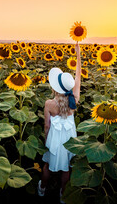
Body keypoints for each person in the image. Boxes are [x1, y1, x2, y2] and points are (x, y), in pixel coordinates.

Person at [38, 42, 81, 203]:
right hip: (69, 139)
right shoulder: (74, 99)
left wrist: (47, 139)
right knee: (66, 168)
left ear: (55, 87)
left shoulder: (49, 104)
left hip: (55, 139)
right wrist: (78, 55)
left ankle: (42, 188)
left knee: (48, 165)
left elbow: (47, 125)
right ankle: (63, 194)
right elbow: (78, 76)